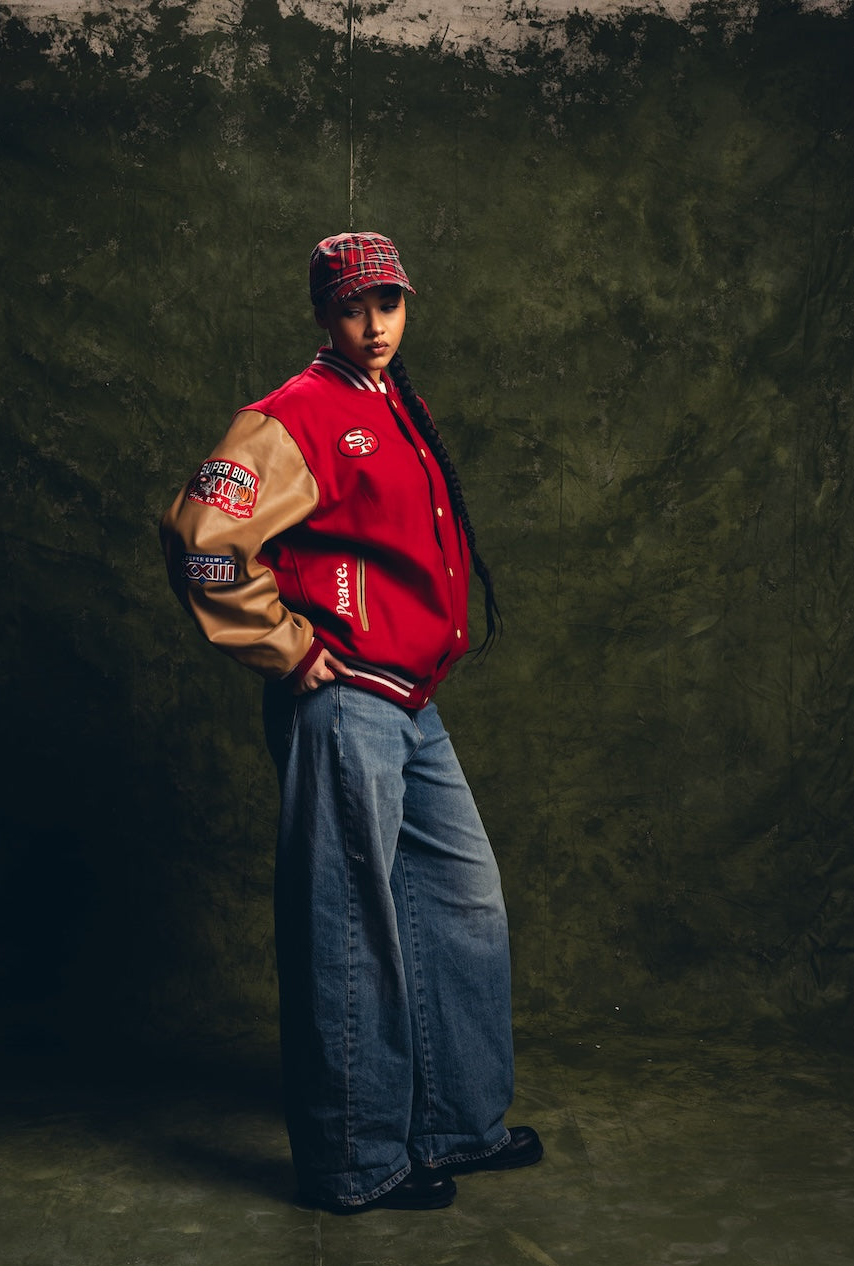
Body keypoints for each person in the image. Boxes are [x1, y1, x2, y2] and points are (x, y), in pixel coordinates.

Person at [161, 231, 542, 1213]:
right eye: (352, 308)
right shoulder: (293, 416)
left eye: (389, 305)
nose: (373, 327)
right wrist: (286, 645)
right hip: (341, 697)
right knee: (350, 925)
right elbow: (203, 543)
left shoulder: (390, 398)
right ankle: (354, 1161)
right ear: (322, 313)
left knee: (464, 902)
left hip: (410, 696)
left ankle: (456, 1124)